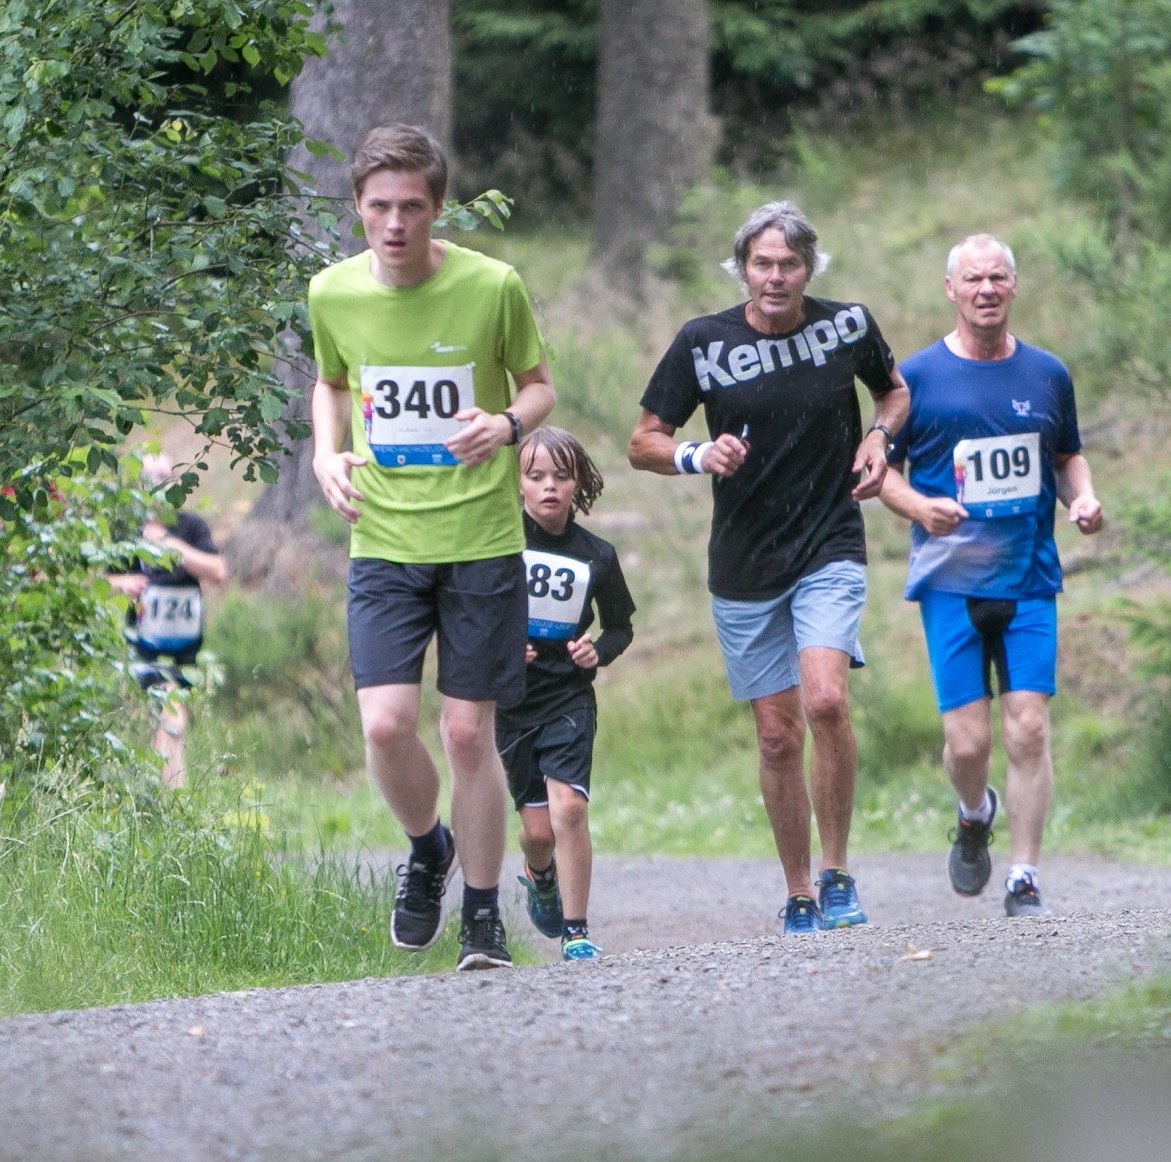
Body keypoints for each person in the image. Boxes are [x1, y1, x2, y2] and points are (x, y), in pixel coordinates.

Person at [307, 123, 555, 971]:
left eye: (412, 206)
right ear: (357, 207)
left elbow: (539, 386)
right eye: (380, 205)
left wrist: (507, 424)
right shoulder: (332, 293)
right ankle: (428, 847)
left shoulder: (492, 287)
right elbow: (331, 382)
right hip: (383, 537)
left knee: (466, 734)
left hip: (480, 537)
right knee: (384, 726)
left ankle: (482, 914)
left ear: (438, 207)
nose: (395, 222)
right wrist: (325, 452)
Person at [628, 200, 908, 935]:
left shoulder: (848, 325)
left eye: (789, 264)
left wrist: (879, 437)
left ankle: (837, 873)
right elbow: (643, 441)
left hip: (829, 541)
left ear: (810, 269)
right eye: (762, 264)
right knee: (778, 736)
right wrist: (698, 454)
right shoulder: (703, 342)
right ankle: (798, 891)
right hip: (745, 559)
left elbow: (894, 390)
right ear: (742, 270)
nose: (776, 276)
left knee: (826, 701)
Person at [878, 233, 1103, 915]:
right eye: (973, 279)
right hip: (950, 581)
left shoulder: (1047, 373)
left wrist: (1083, 499)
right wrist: (920, 507)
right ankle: (975, 812)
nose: (987, 290)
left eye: (998, 277)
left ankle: (1023, 876)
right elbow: (879, 471)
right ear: (950, 289)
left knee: (1028, 728)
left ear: (1014, 285)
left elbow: (1067, 455)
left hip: (1029, 577)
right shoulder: (914, 378)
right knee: (968, 743)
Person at [498, 426, 635, 961]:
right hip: (513, 702)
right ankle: (541, 875)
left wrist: (597, 651)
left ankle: (576, 931)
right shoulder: (500, 544)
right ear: (519, 484)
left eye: (560, 475)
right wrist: (504, 648)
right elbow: (473, 610)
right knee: (537, 833)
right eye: (536, 476)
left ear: (580, 482)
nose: (549, 486)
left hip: (569, 699)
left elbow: (620, 626)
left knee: (570, 809)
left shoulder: (597, 554)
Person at [106, 453, 227, 788]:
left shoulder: (191, 527)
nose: (157, 485)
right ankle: (171, 793)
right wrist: (124, 583)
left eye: (163, 476)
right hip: (145, 640)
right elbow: (101, 581)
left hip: (186, 641)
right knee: (168, 713)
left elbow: (217, 571)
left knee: (171, 714)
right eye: (149, 478)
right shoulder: (127, 531)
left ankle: (165, 793)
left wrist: (169, 544)